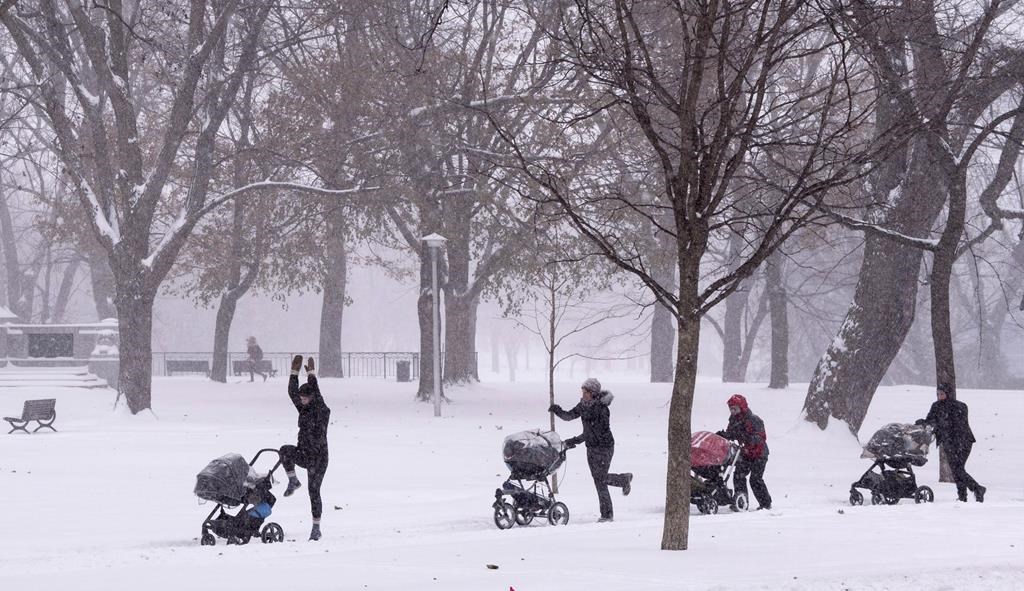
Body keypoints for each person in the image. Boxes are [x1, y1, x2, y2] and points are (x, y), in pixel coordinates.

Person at [549, 378, 633, 523]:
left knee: (600, 479)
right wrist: (557, 411)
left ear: (593, 393)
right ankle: (622, 480)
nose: (583, 394)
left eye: (586, 392)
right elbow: (570, 416)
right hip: (591, 448)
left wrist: (574, 440)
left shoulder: (602, 409)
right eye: (582, 391)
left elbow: (594, 432)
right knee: (598, 480)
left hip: (604, 447)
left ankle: (607, 514)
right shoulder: (583, 406)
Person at [280, 355, 331, 540]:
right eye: (301, 398)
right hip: (303, 453)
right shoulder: (303, 407)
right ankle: (293, 481)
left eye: (305, 398)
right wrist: (294, 373)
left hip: (318, 459)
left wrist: (311, 374)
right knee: (284, 450)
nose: (301, 400)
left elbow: (316, 392)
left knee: (314, 491)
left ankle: (316, 527)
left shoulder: (321, 410)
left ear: (312, 397)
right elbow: (291, 392)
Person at [916, 382, 985, 502]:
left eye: (941, 393)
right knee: (956, 469)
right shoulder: (936, 406)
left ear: (948, 393)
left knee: (958, 469)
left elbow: (958, 424)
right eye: (937, 394)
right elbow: (931, 420)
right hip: (948, 442)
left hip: (963, 441)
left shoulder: (960, 406)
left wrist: (941, 425)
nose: (939, 396)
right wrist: (923, 422)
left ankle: (977, 488)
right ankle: (963, 496)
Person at [717, 394, 772, 511]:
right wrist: (723, 436)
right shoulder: (733, 420)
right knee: (738, 476)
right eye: (731, 409)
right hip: (745, 454)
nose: (732, 411)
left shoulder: (754, 420)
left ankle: (765, 504)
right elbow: (731, 434)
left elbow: (761, 437)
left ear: (742, 407)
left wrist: (747, 438)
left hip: (759, 454)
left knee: (755, 479)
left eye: (735, 409)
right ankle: (741, 501)